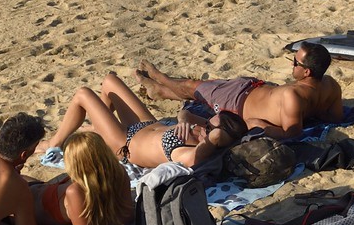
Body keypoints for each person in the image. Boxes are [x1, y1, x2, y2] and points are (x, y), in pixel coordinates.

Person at [137, 42, 344, 141]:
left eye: (295, 62)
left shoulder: (293, 96)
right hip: (251, 87)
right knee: (203, 88)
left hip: (236, 102)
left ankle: (160, 77)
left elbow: (292, 134)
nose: (292, 65)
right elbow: (335, 116)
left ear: (306, 71)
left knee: (192, 87)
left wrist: (260, 125)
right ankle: (160, 92)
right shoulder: (331, 85)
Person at [41, 73, 242, 171]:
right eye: (208, 123)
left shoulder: (190, 153)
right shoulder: (205, 129)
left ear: (216, 139)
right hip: (146, 125)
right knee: (110, 81)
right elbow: (185, 113)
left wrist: (213, 137)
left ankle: (54, 143)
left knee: (83, 94)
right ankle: (100, 127)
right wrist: (182, 120)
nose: (203, 126)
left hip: (125, 143)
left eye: (209, 129)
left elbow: (208, 144)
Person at [24, 132, 133, 225]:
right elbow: (127, 216)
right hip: (32, 198)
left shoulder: (76, 191)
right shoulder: (118, 172)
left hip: (29, 201)